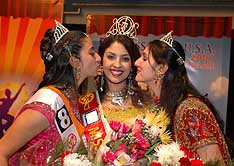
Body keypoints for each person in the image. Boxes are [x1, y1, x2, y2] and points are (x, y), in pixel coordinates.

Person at [0, 21, 101, 165]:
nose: (98, 57)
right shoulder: (45, 106)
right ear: (74, 61)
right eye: (92, 52)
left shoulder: (76, 100)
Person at [134, 31, 231, 165]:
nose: (136, 63)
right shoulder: (164, 106)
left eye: (144, 58)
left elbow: (215, 163)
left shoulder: (190, 110)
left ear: (161, 68)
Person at [98, 34, 151, 123]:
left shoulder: (146, 102)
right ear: (101, 60)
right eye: (111, 57)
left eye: (125, 59)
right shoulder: (88, 104)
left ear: (132, 65)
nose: (117, 64)